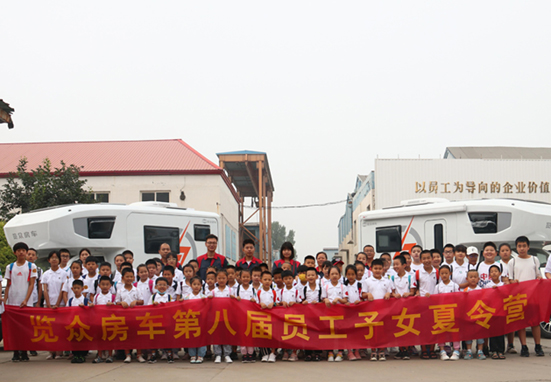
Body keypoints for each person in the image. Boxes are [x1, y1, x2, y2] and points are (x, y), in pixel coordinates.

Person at [508, 236, 544, 357]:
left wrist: (539, 279)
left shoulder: (534, 260)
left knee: (535, 322)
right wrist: (513, 282)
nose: (522, 248)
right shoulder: (512, 262)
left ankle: (538, 346)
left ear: (528, 247)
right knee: (521, 323)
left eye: (524, 246)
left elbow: (538, 275)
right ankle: (524, 346)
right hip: (519, 296)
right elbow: (510, 280)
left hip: (533, 295)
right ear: (516, 248)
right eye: (519, 246)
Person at [4, 242, 37, 362]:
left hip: (26, 303)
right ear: (15, 253)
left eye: (23, 250)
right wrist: (5, 301)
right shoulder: (10, 267)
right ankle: (15, 352)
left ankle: (24, 352)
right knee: (14, 329)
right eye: (19, 250)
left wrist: (26, 300)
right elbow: (8, 285)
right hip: (13, 301)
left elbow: (32, 284)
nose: (21, 252)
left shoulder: (31, 267)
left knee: (25, 328)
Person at [362, 259, 393, 361]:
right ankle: (373, 351)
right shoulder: (367, 281)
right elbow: (363, 295)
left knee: (383, 331)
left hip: (384, 311)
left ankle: (382, 351)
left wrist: (389, 293)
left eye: (380, 268)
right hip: (371, 311)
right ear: (371, 269)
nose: (378, 270)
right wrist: (367, 294)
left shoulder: (387, 281)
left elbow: (391, 293)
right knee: (372, 331)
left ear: (383, 269)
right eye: (376, 268)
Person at [414, 250, 439, 359]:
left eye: (428, 258)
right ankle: (423, 350)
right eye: (424, 258)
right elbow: (415, 287)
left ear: (432, 258)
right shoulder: (418, 273)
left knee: (434, 327)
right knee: (423, 328)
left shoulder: (437, 272)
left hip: (434, 303)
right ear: (421, 260)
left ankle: (432, 349)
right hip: (422, 304)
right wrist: (417, 293)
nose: (427, 260)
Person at [433, 264, 460, 361]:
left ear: (450, 274)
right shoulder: (437, 287)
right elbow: (435, 300)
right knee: (442, 332)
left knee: (454, 331)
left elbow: (458, 298)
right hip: (441, 312)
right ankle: (442, 350)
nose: (444, 275)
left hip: (453, 311)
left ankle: (456, 350)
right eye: (442, 273)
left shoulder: (454, 285)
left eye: (446, 273)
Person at [116, 268, 143, 363]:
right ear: (123, 278)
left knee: (137, 336)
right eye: (127, 276)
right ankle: (127, 355)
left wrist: (136, 301)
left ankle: (139, 354)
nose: (129, 278)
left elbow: (142, 301)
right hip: (124, 317)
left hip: (136, 317)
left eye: (131, 276)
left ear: (134, 278)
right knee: (126, 336)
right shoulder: (119, 290)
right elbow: (116, 302)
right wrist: (121, 303)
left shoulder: (137, 290)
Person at [322, 265, 348, 362]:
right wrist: (326, 300)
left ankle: (340, 352)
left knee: (340, 332)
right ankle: (330, 352)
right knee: (330, 332)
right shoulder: (326, 286)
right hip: (329, 313)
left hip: (340, 313)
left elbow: (345, 300)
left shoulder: (343, 287)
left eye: (336, 274)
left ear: (340, 275)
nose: (334, 276)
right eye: (332, 274)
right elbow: (323, 298)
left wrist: (338, 299)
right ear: (328, 275)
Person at [208, 269, 233, 363]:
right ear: (216, 280)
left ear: (227, 279)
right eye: (219, 278)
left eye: (223, 278)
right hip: (216, 317)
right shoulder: (213, 291)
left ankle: (227, 354)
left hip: (227, 316)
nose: (221, 280)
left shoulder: (230, 290)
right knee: (216, 335)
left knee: (226, 335)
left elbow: (234, 304)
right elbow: (208, 303)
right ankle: (217, 354)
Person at [147, 277, 173, 363]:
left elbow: (173, 308)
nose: (162, 286)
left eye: (164, 285)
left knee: (167, 338)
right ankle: (153, 354)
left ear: (167, 287)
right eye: (160, 285)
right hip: (155, 321)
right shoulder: (153, 297)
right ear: (156, 287)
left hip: (166, 321)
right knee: (155, 338)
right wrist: (153, 305)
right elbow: (147, 308)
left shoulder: (169, 297)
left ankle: (169, 354)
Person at [92, 275, 116, 363]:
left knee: (110, 338)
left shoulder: (113, 297)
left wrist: (112, 305)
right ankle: (100, 355)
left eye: (107, 284)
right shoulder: (97, 296)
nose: (105, 286)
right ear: (99, 285)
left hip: (110, 321)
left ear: (110, 286)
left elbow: (117, 308)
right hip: (99, 321)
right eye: (103, 284)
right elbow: (93, 308)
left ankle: (110, 355)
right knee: (100, 338)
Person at [256, 271, 279, 362]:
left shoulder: (274, 292)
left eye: (269, 280)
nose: (267, 281)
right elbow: (254, 304)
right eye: (265, 279)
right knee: (262, 335)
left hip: (273, 317)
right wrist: (260, 304)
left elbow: (278, 302)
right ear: (261, 280)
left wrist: (273, 304)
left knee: (274, 335)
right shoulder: (258, 292)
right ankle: (264, 353)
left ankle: (272, 353)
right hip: (261, 317)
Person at [499, 243, 517, 354]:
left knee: (511, 320)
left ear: (510, 252)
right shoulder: (497, 264)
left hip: (513, 295)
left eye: (507, 250)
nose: (505, 252)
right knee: (501, 321)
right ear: (499, 253)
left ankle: (510, 344)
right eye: (502, 250)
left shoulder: (514, 262)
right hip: (500, 296)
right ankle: (500, 345)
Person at [463, 270, 486, 360]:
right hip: (469, 316)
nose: (473, 279)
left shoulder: (481, 290)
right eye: (471, 277)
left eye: (475, 277)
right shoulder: (465, 290)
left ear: (478, 279)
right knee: (468, 333)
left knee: (480, 333)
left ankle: (480, 350)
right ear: (467, 279)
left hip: (479, 315)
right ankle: (469, 350)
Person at [67, 279, 91, 364]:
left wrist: (84, 306)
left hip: (82, 323)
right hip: (73, 323)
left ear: (82, 289)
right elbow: (67, 311)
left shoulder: (84, 300)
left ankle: (82, 355)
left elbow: (90, 307)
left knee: (83, 339)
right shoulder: (70, 300)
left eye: (78, 288)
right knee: (74, 339)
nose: (76, 290)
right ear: (72, 289)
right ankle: (75, 354)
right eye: (75, 288)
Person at [184, 277, 208, 363]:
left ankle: (201, 355)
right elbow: (184, 308)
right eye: (194, 284)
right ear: (190, 285)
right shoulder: (187, 297)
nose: (196, 286)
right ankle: (193, 355)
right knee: (192, 338)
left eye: (198, 284)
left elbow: (207, 308)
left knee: (201, 338)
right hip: (190, 320)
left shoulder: (204, 297)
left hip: (201, 321)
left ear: (201, 285)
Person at [301, 267, 322, 362]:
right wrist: (303, 302)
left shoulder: (320, 288)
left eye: (312, 275)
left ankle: (318, 353)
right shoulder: (304, 289)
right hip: (307, 315)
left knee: (318, 333)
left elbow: (323, 300)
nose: (310, 277)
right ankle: (308, 353)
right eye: (308, 275)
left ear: (317, 277)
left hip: (318, 315)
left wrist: (318, 303)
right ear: (306, 277)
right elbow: (300, 300)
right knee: (308, 334)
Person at [278, 269, 299, 362]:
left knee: (295, 334)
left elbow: (300, 302)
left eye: (290, 278)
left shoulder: (296, 291)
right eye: (286, 279)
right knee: (285, 333)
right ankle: (285, 351)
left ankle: (294, 352)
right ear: (283, 280)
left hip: (294, 316)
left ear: (293, 279)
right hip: (284, 316)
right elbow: (277, 302)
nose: (288, 281)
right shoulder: (281, 291)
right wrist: (282, 302)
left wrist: (294, 303)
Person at [343, 265, 361, 361]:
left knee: (357, 332)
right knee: (349, 332)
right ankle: (349, 351)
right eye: (348, 274)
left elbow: (363, 296)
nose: (350, 276)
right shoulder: (343, 285)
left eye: (352, 274)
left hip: (358, 311)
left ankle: (357, 350)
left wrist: (360, 301)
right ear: (345, 275)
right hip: (347, 311)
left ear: (356, 275)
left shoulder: (359, 285)